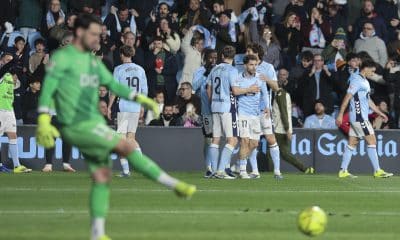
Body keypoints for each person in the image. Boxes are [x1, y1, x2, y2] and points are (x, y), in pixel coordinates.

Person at [35, 14, 196, 240]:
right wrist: (43, 120)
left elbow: (114, 86)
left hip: (91, 121)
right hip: (76, 123)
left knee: (102, 176)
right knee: (125, 146)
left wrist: (144, 100)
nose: (97, 38)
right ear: (80, 34)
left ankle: (97, 233)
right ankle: (172, 184)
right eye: (93, 33)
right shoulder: (62, 59)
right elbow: (48, 89)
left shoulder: (93, 62)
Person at [336, 60, 393, 179]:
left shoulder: (364, 81)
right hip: (359, 117)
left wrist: (379, 113)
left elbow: (368, 100)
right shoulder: (357, 80)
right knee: (372, 141)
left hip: (359, 117)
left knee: (352, 143)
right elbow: (347, 97)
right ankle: (377, 171)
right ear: (365, 68)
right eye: (372, 71)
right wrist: (340, 114)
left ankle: (343, 170)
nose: (372, 74)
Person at [108, 45, 148, 178]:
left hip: (124, 105)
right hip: (136, 105)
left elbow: (114, 90)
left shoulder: (118, 69)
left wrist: (109, 106)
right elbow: (144, 90)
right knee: (131, 137)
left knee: (121, 139)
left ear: (121, 54)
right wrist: (142, 106)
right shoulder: (140, 69)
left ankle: (126, 171)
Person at [245, 43, 282, 179]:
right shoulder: (246, 67)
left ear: (256, 53)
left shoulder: (268, 67)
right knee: (252, 141)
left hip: (264, 110)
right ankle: (255, 171)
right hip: (250, 110)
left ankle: (277, 171)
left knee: (270, 138)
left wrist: (266, 79)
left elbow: (276, 87)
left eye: (249, 51)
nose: (246, 53)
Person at [231, 55, 269, 179]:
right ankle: (242, 171)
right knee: (245, 141)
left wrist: (267, 107)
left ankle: (237, 164)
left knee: (254, 144)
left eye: (255, 64)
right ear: (245, 65)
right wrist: (249, 89)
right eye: (251, 64)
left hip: (256, 115)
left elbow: (265, 93)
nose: (254, 67)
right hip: (242, 114)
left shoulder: (260, 78)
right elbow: (235, 92)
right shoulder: (238, 78)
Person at [206, 45, 239, 179]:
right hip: (226, 108)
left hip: (215, 106)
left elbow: (208, 88)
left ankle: (213, 170)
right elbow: (235, 91)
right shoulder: (232, 70)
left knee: (216, 139)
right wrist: (249, 89)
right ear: (234, 57)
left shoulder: (215, 69)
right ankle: (220, 171)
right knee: (232, 140)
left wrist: (212, 101)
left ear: (222, 56)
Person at [271, 78, 314, 173]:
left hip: (280, 128)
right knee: (278, 152)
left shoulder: (280, 94)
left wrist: (287, 129)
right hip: (281, 128)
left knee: (282, 153)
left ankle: (304, 168)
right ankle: (304, 169)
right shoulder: (283, 94)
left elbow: (283, 112)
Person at [192, 48, 218, 178]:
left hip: (220, 110)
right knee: (208, 139)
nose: (213, 60)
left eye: (215, 57)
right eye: (211, 58)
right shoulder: (200, 71)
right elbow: (194, 86)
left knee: (217, 139)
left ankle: (218, 167)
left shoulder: (219, 69)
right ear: (205, 58)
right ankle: (209, 167)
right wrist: (205, 75)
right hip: (206, 111)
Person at [0, 73, 32, 173]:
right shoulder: (3, 76)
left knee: (13, 136)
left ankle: (17, 166)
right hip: (0, 110)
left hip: (10, 111)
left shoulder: (12, 80)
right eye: (16, 78)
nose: (16, 79)